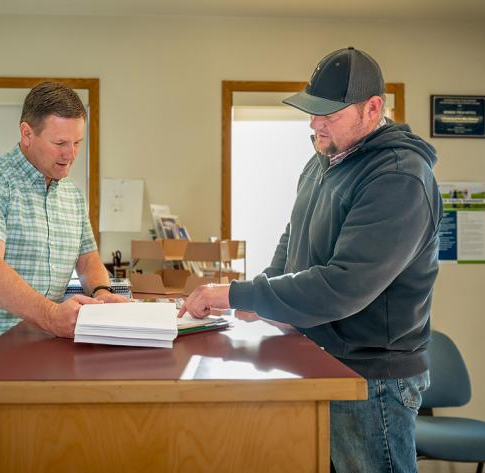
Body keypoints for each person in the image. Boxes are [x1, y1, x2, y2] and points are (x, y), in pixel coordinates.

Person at [179, 47, 443, 473]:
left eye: (329, 113)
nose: (315, 123)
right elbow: (293, 238)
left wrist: (234, 293)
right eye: (312, 111)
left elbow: (343, 285)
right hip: (326, 360)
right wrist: (259, 294)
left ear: (372, 108)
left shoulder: (397, 176)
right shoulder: (324, 162)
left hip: (373, 377)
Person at [0, 82, 127, 472]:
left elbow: (88, 259)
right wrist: (53, 316)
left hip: (33, 361)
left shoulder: (72, 194)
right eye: (60, 143)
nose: (70, 156)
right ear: (26, 133)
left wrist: (103, 292)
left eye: (78, 143)